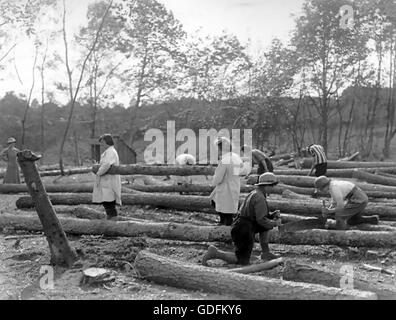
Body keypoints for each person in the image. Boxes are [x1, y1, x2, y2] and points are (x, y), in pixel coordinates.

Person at [202, 172, 282, 266]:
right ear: (267, 186)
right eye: (272, 186)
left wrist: (272, 215)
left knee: (265, 226)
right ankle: (215, 253)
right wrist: (275, 223)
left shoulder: (256, 193)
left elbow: (260, 217)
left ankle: (266, 253)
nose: (273, 188)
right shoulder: (259, 198)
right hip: (243, 229)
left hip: (244, 225)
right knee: (242, 261)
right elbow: (261, 220)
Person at [314, 176, 379, 230]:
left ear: (324, 186)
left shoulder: (334, 188)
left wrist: (330, 211)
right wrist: (328, 210)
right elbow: (334, 202)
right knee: (351, 220)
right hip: (356, 199)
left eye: (321, 190)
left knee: (339, 215)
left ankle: (340, 233)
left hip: (359, 200)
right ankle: (371, 219)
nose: (321, 191)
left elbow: (340, 206)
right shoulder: (331, 186)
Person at [209, 137, 244, 226]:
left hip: (225, 186)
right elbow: (243, 171)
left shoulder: (225, 160)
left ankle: (225, 223)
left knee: (221, 205)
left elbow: (218, 176)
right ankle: (224, 222)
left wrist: (213, 182)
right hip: (234, 184)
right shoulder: (236, 157)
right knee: (227, 206)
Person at [92, 134, 122, 220]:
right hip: (106, 181)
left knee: (109, 202)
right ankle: (111, 220)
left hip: (109, 180)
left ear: (106, 142)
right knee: (107, 202)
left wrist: (99, 172)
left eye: (102, 142)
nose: (102, 145)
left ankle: (113, 221)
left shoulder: (111, 152)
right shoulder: (108, 151)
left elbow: (107, 164)